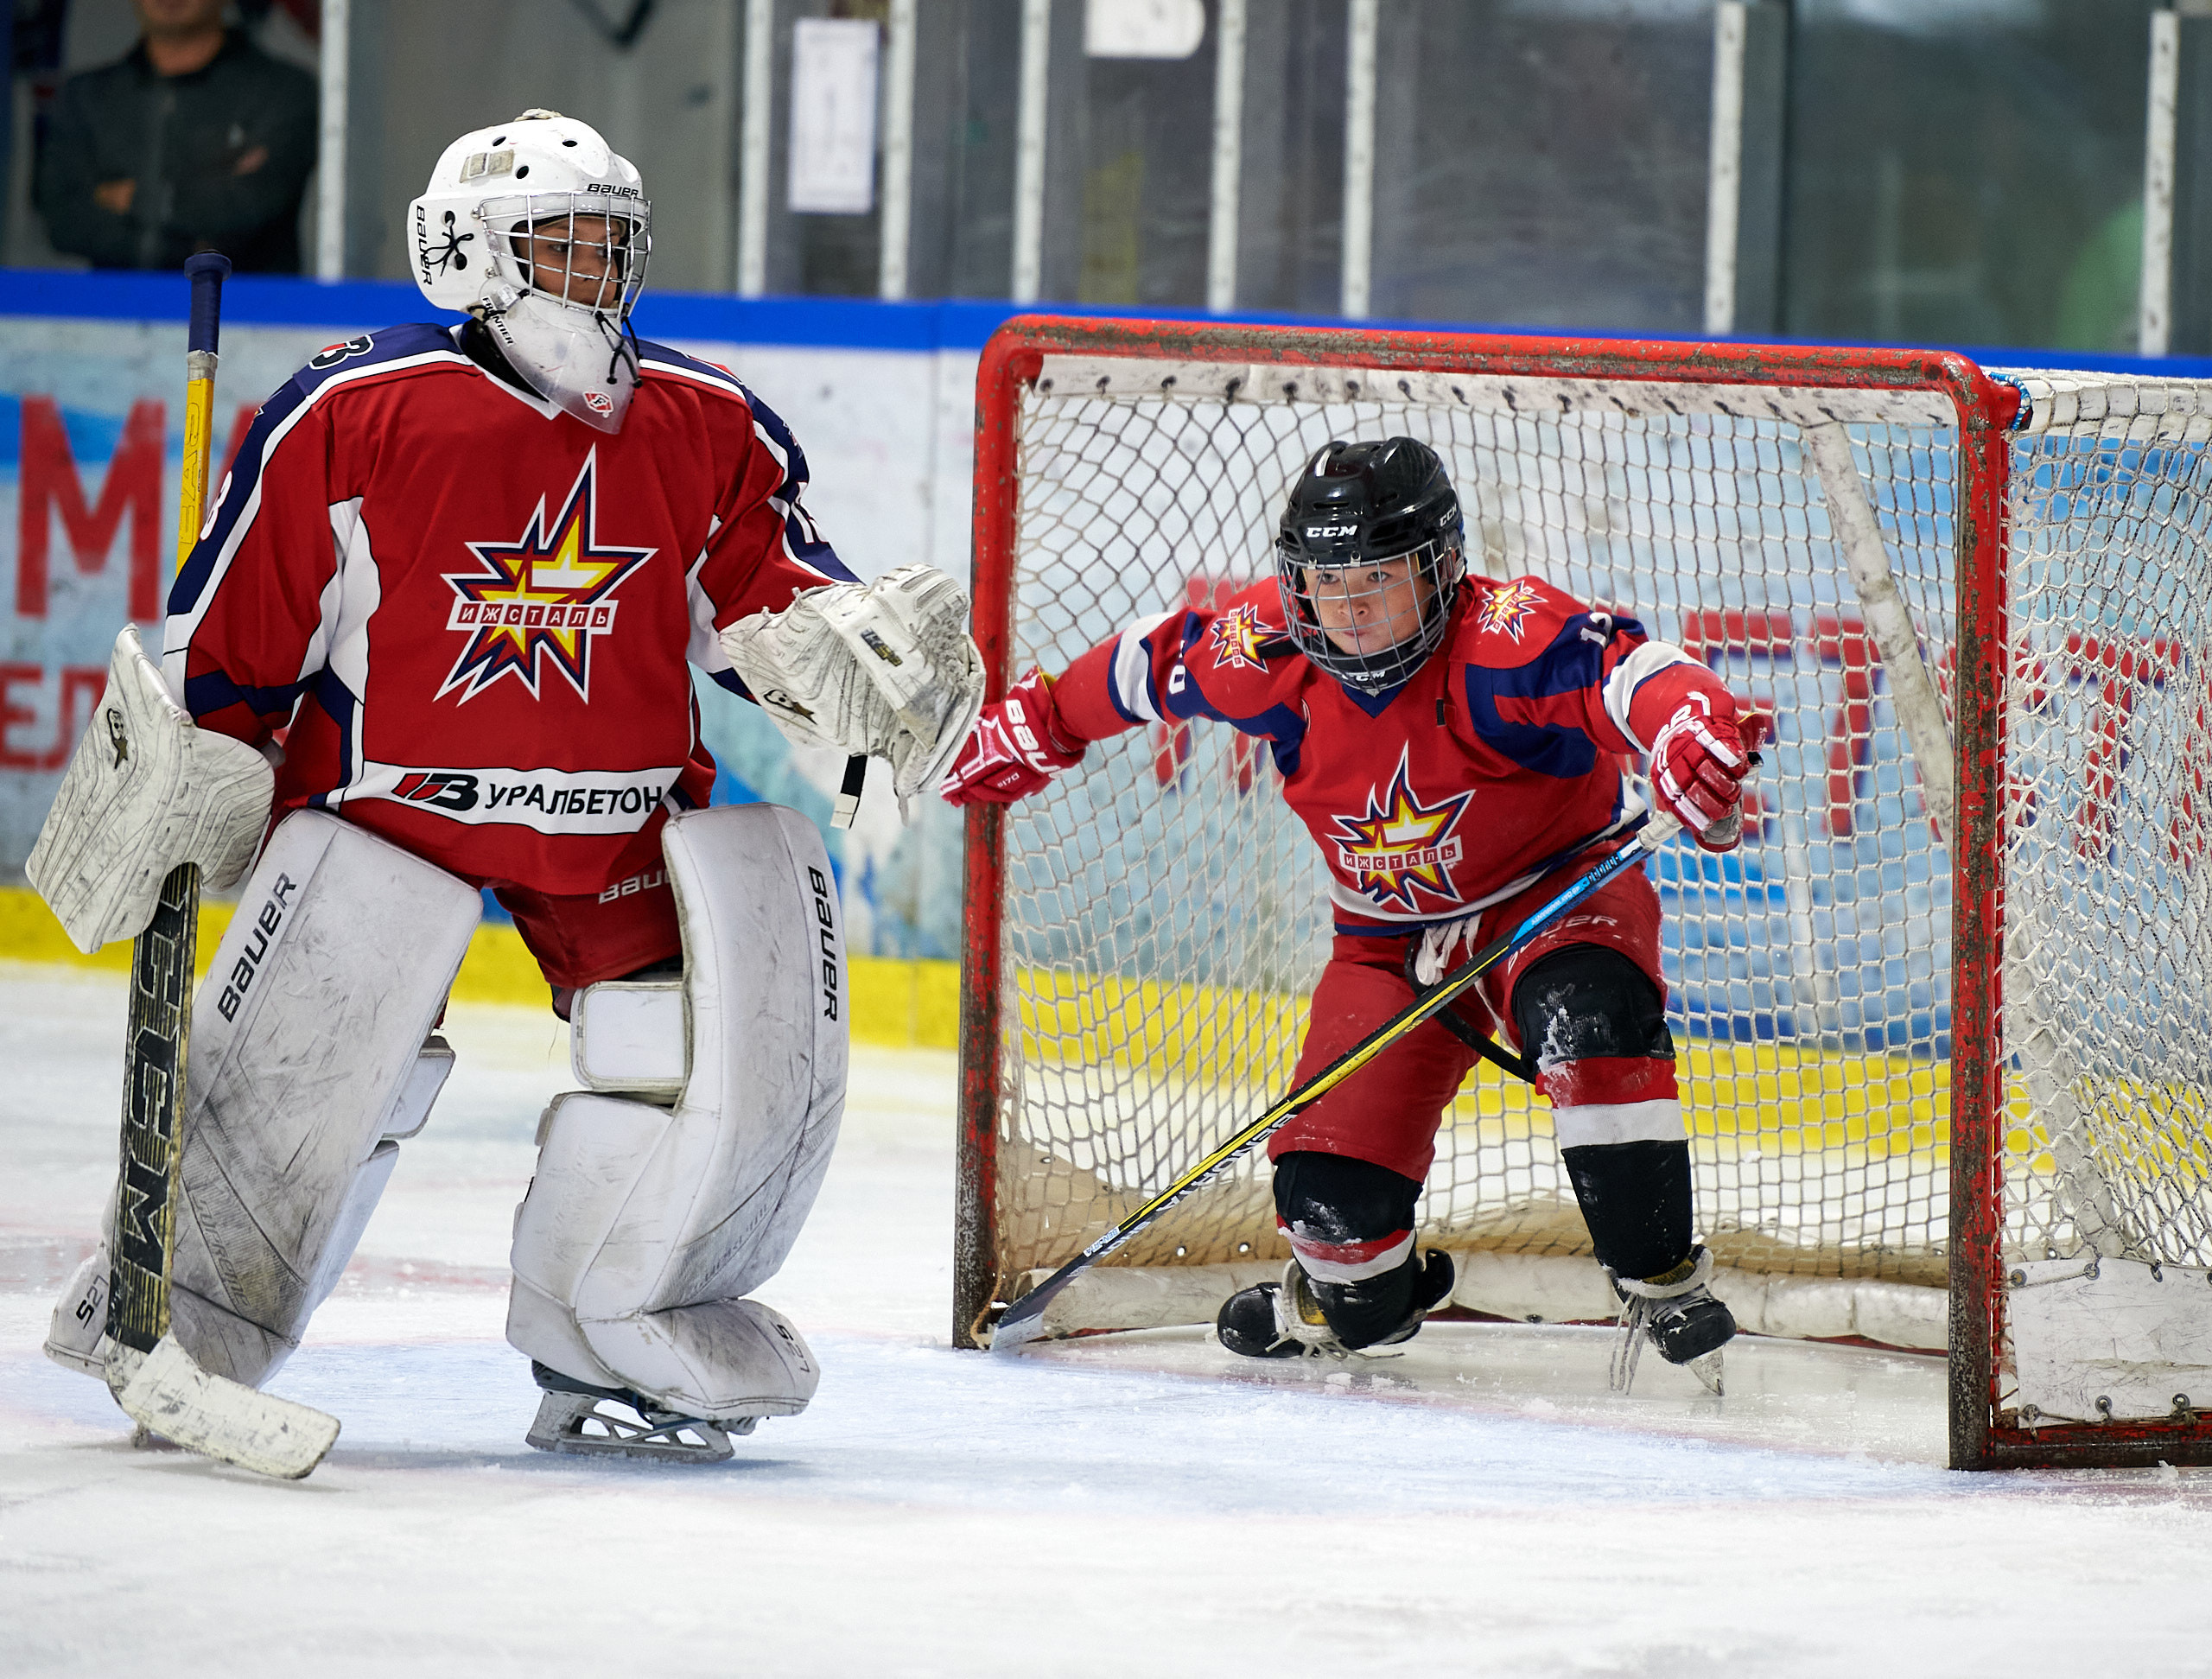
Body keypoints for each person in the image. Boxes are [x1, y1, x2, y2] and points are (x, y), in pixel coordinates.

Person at [33, 111, 982, 1460]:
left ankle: (609, 1328)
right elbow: (243, 632)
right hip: (392, 811)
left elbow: (769, 593)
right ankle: (190, 1311)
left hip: (619, 817)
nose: (598, 271)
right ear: (466, 251)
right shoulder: (353, 409)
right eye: (564, 240)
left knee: (687, 1057)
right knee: (327, 1056)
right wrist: (191, 760)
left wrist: (841, 658)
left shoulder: (709, 422)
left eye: (615, 243)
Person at [940, 436, 1758, 1388]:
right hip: (1385, 945)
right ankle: (1350, 1296)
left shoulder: (1504, 637)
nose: (1351, 607)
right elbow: (1150, 660)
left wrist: (1690, 725)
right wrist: (1040, 724)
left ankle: (1660, 1278)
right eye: (1326, 581)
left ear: (1443, 569)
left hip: (1553, 897)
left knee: (1587, 1017)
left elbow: (1633, 671)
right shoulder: (1268, 652)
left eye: (1380, 577)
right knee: (1334, 1219)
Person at [36, 0, 317, 272]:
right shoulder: (87, 96)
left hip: (248, 312)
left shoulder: (282, 90)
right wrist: (195, 237)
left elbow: (251, 208)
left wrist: (132, 198)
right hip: (113, 309)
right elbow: (63, 219)